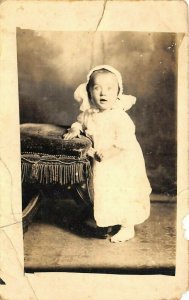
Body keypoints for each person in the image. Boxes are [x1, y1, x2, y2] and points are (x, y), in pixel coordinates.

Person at [64, 65, 151, 243]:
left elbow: (125, 141)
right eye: (97, 88)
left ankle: (127, 226)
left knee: (124, 192)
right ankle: (108, 221)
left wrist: (110, 152)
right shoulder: (89, 113)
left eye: (110, 88)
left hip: (122, 161)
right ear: (88, 92)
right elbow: (79, 122)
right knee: (105, 192)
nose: (103, 93)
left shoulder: (119, 117)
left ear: (118, 92)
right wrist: (75, 128)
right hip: (103, 163)